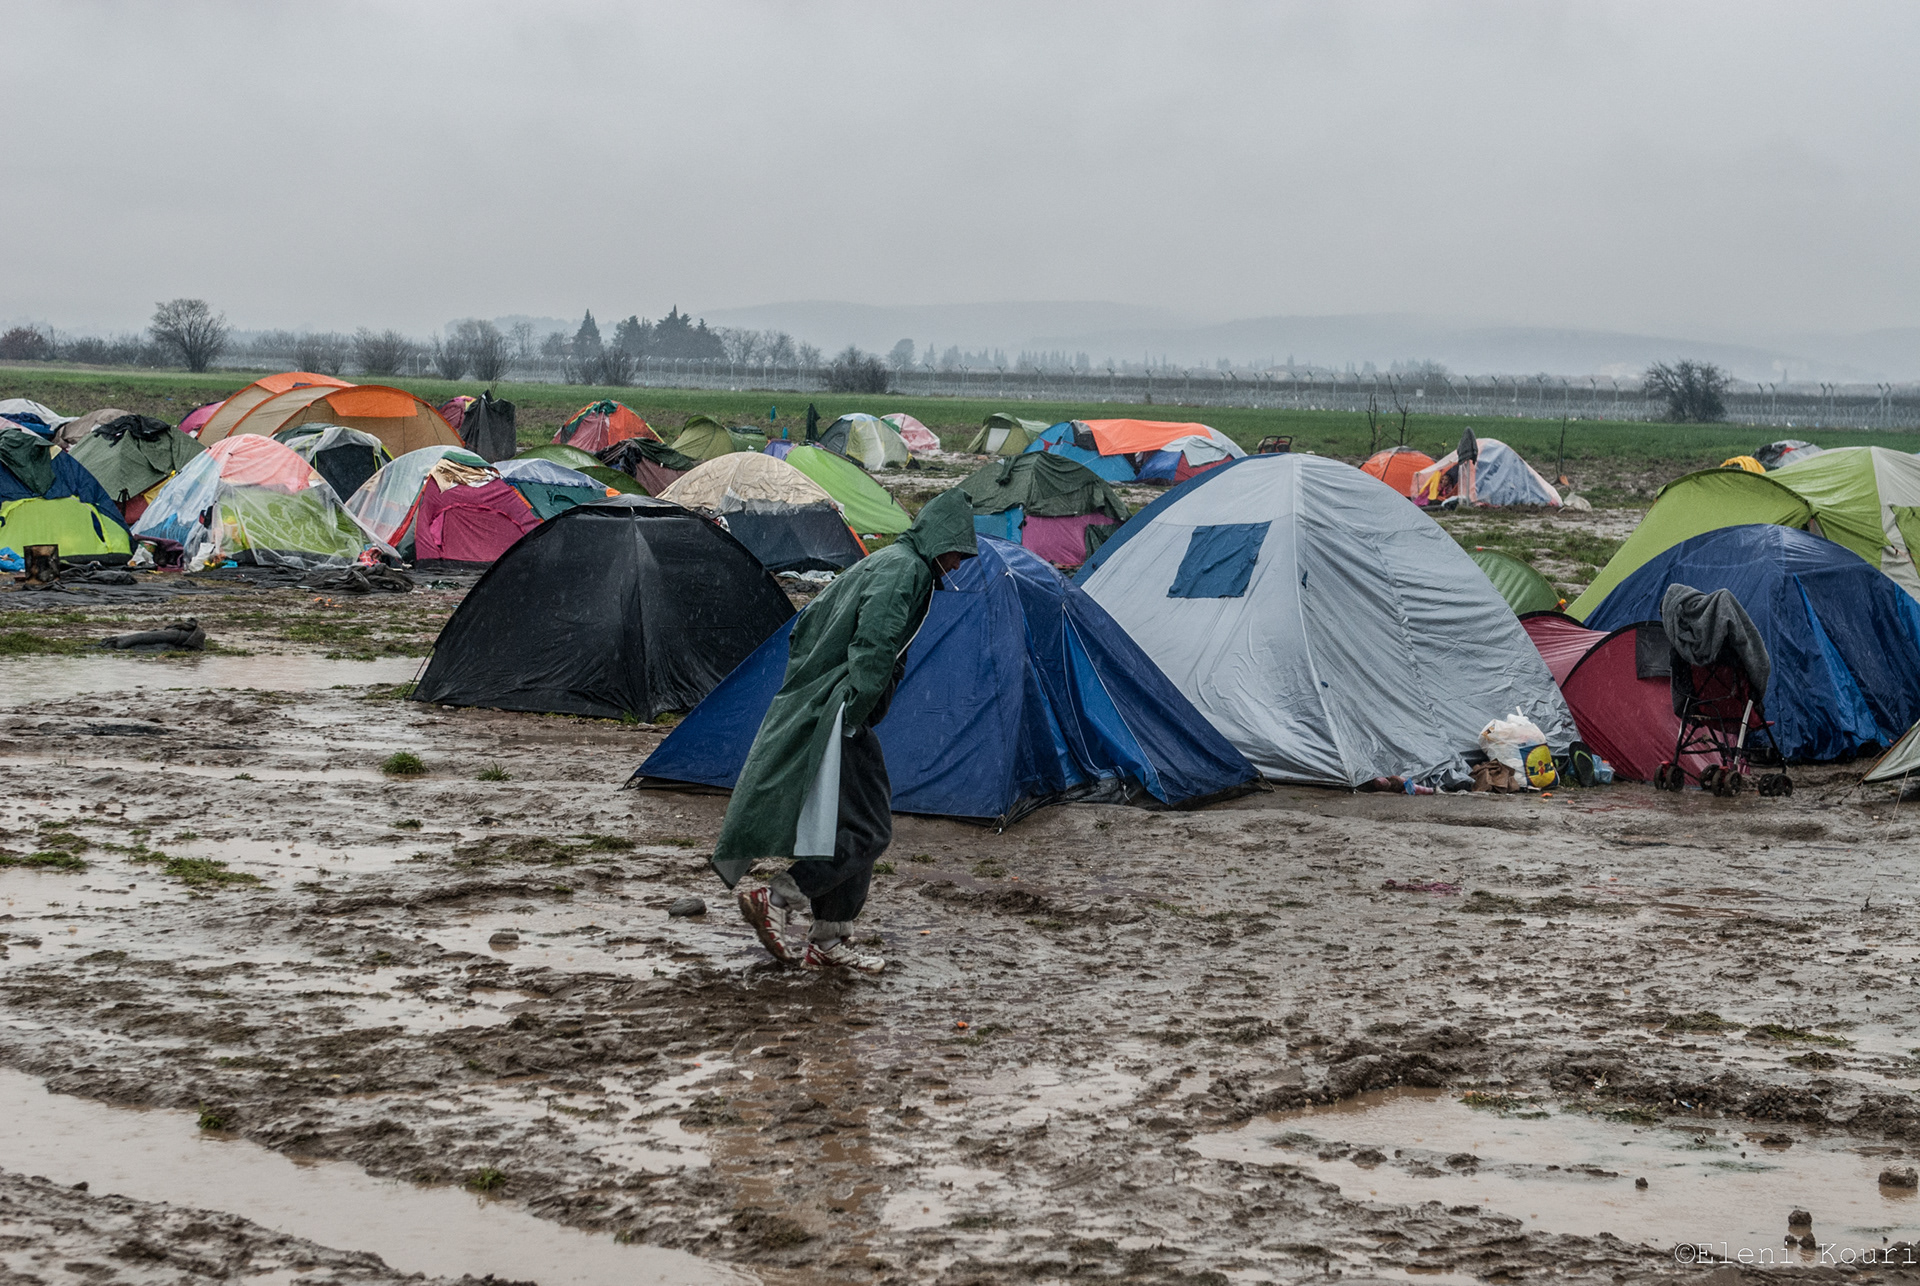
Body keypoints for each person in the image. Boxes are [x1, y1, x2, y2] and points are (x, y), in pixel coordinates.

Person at [712, 488, 978, 973]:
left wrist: (822, 689)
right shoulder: (907, 571)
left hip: (827, 706)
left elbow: (807, 625)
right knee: (869, 828)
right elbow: (874, 642)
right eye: (959, 551)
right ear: (942, 542)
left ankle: (829, 940)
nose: (959, 564)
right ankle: (779, 896)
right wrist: (854, 707)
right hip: (840, 713)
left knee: (847, 825)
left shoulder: (885, 562)